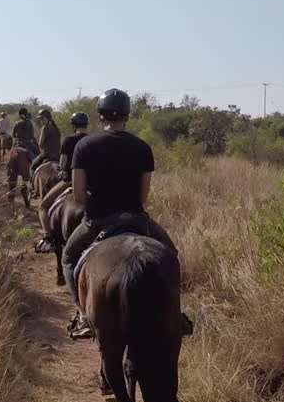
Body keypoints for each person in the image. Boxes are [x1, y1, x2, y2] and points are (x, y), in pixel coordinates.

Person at [61, 88, 191, 339]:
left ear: (100, 116)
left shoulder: (85, 146)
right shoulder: (142, 147)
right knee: (171, 254)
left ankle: (83, 316)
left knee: (68, 257)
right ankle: (176, 314)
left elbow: (78, 196)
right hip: (136, 218)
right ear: (127, 115)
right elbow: (143, 197)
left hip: (97, 220)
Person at [30, 108, 62, 174]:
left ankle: (31, 179)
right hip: (57, 155)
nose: (41, 121)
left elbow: (40, 144)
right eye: (40, 119)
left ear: (47, 118)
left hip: (47, 155)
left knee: (32, 167)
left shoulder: (44, 128)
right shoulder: (57, 128)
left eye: (42, 119)